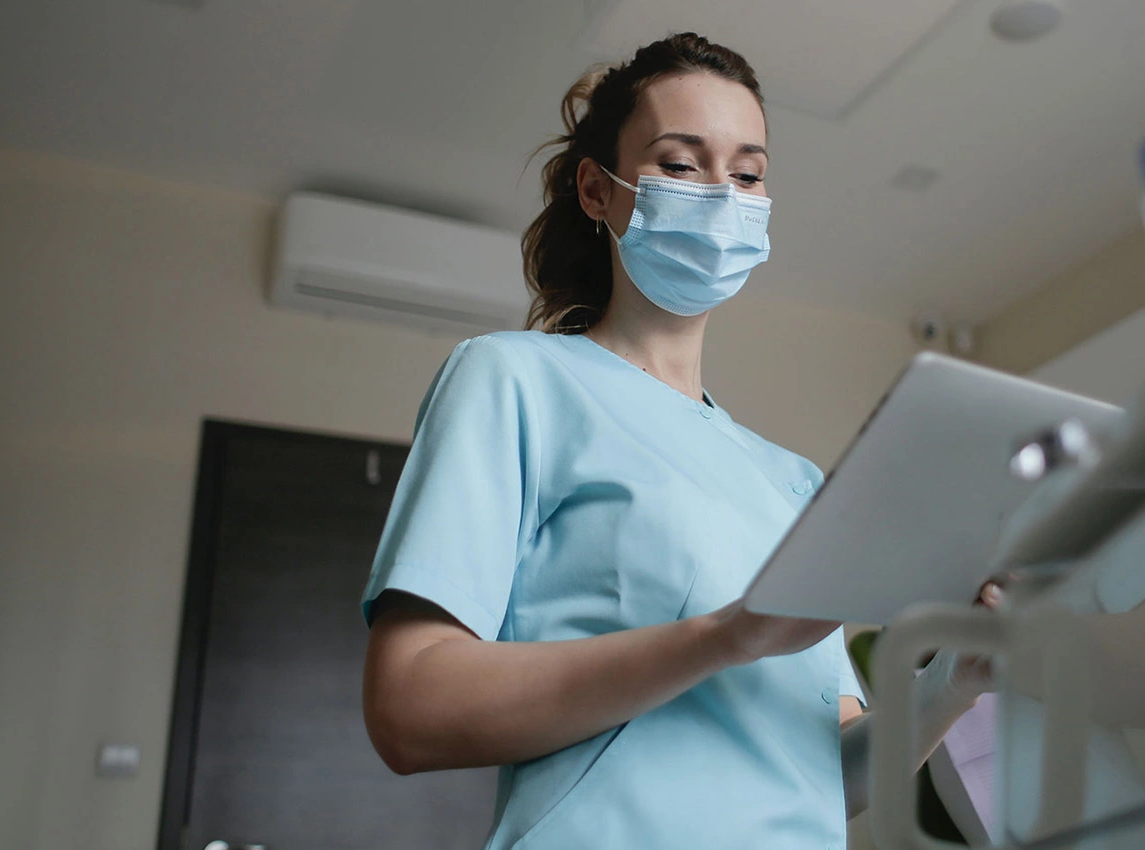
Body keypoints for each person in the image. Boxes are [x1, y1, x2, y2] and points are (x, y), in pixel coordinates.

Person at [360, 33, 998, 850]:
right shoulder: (513, 380)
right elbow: (411, 708)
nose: (722, 196)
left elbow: (825, 778)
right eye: (681, 164)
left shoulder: (794, 483)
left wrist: (953, 683)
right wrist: (726, 637)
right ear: (598, 190)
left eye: (747, 173)